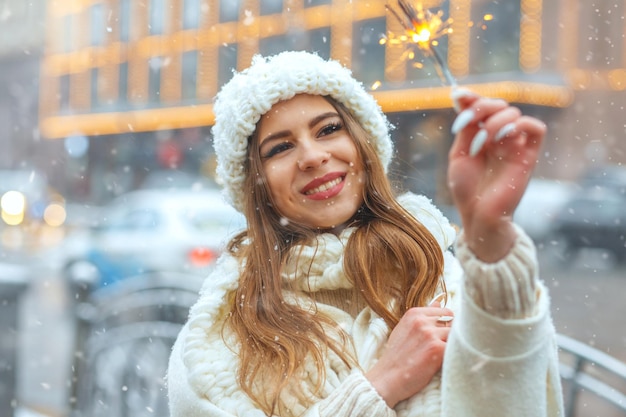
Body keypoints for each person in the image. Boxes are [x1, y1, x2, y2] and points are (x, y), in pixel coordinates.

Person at [167, 50, 564, 417]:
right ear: (255, 184)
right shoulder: (215, 344)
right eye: (279, 148)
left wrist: (491, 239)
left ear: (362, 143)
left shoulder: (443, 277)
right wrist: (379, 387)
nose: (313, 156)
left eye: (328, 129)